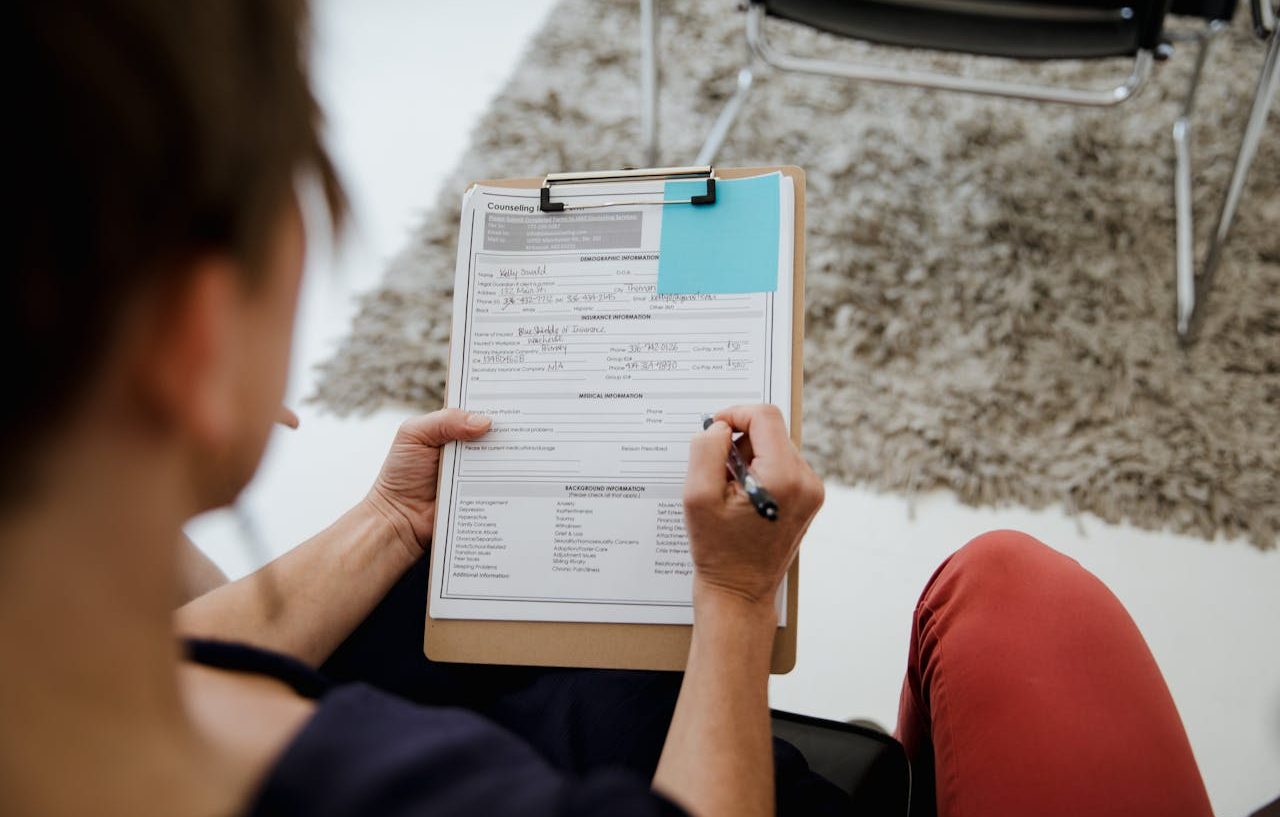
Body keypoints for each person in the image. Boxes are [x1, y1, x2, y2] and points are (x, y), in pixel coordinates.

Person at [1, 1, 1215, 816]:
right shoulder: (402, 786)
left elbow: (184, 652)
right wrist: (737, 598)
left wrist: (388, 518)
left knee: (458, 583)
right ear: (192, 342)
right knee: (1013, 594)